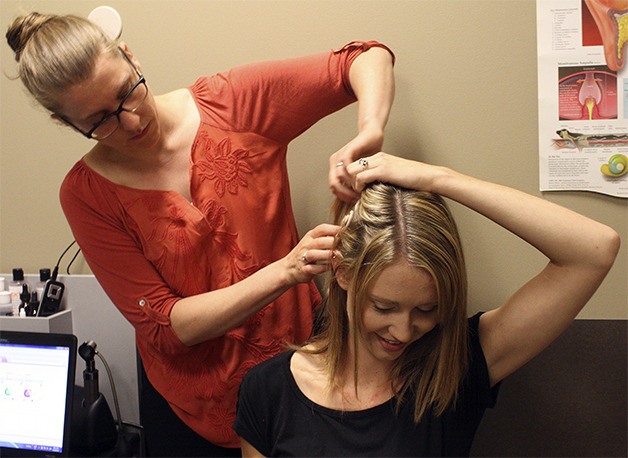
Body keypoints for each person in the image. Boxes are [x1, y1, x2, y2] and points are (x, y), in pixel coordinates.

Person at [5, 11, 395, 456]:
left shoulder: (232, 103)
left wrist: (370, 130)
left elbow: (364, 59)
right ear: (65, 122)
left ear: (130, 56)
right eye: (100, 120)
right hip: (194, 409)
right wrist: (285, 271)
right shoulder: (87, 195)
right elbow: (166, 326)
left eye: (127, 92)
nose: (131, 122)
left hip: (302, 370)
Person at [233, 152, 621, 457]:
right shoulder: (268, 390)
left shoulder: (457, 364)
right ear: (343, 273)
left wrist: (440, 179)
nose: (403, 331)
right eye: (384, 307)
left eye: (427, 309)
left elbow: (594, 250)